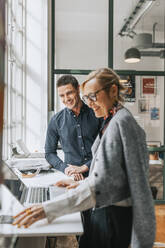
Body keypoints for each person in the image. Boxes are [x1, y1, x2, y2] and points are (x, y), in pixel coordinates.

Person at [13, 68, 156, 248]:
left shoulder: (122, 123)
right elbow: (110, 177)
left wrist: (47, 209)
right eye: (87, 97)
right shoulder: (110, 120)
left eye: (93, 96)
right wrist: (80, 183)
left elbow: (131, 186)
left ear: (113, 91)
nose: (90, 103)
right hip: (104, 209)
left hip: (112, 215)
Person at [45, 75, 102, 181]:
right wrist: (65, 169)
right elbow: (49, 153)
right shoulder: (56, 120)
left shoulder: (97, 114)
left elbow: (105, 148)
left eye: (69, 93)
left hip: (98, 173)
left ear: (78, 89)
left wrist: (84, 168)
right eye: (62, 95)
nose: (66, 99)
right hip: (71, 177)